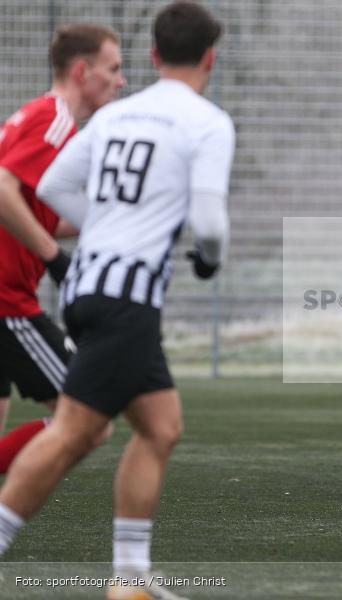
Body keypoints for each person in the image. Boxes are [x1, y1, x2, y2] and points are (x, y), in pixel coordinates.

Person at [0, 3, 235, 599]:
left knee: (160, 426)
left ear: (154, 56)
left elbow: (53, 186)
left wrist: (102, 228)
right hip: (125, 298)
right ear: (210, 57)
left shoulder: (115, 116)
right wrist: (208, 256)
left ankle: (130, 579)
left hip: (86, 287)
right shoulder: (207, 122)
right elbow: (208, 221)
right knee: (73, 431)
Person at [0, 23, 125, 474]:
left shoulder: (48, 121)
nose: (120, 79)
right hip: (6, 301)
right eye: (113, 68)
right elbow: (2, 190)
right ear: (81, 71)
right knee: (91, 416)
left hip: (9, 296)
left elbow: (41, 210)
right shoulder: (53, 120)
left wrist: (119, 215)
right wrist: (53, 258)